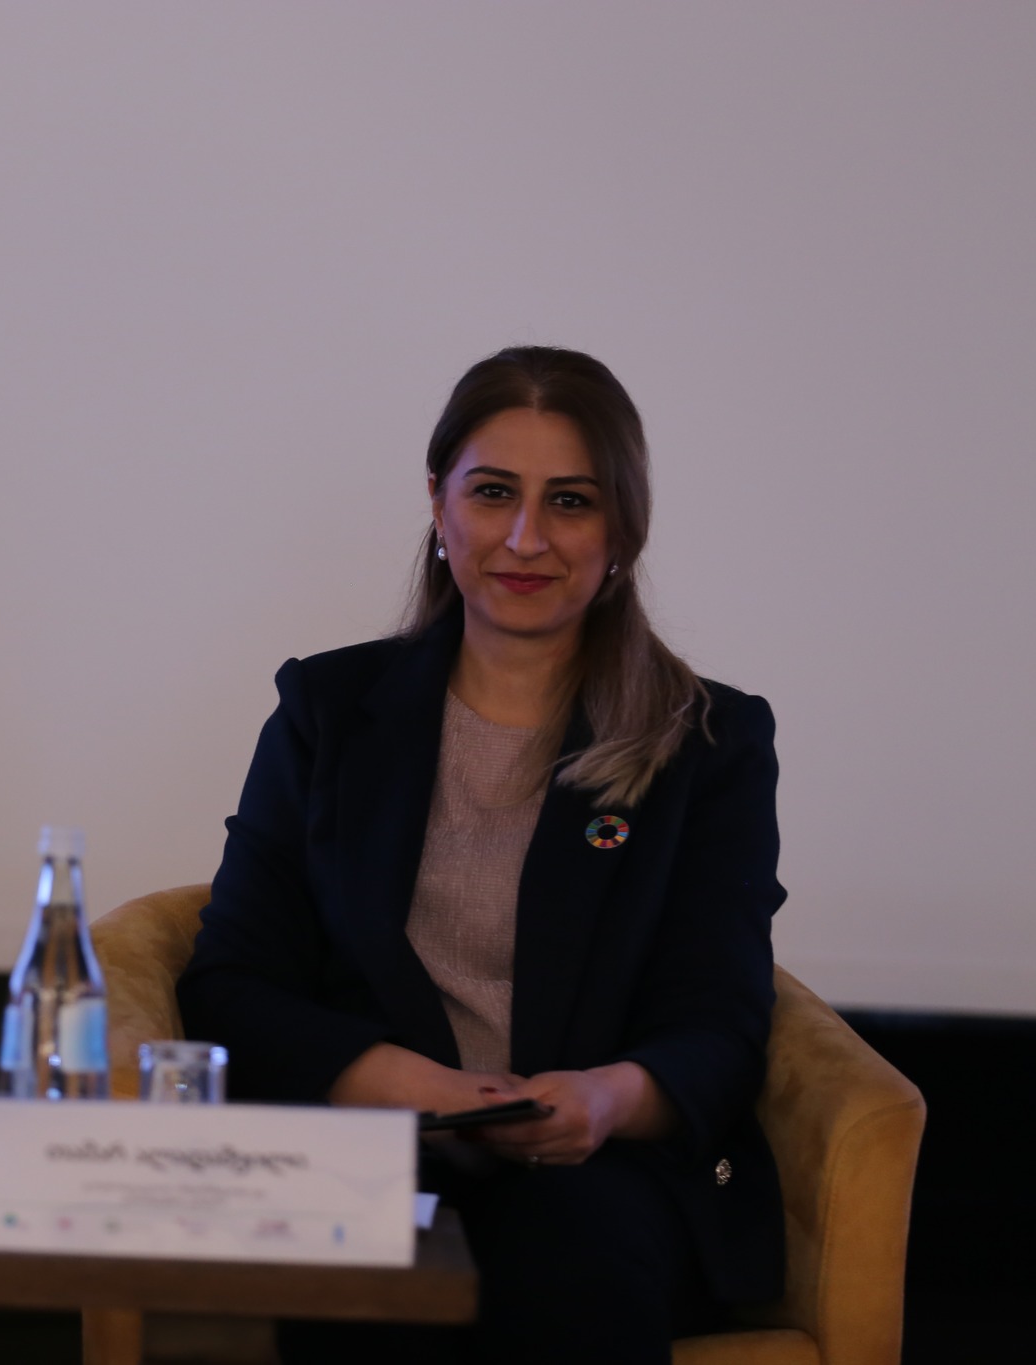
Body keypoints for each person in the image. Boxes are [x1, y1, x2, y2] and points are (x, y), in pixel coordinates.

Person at [176, 346, 784, 1365]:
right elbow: (232, 983)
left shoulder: (707, 742)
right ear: (437, 502)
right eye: (492, 492)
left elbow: (719, 1024)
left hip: (603, 1174)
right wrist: (417, 1089)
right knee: (367, 1259)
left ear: (623, 528)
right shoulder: (327, 710)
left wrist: (602, 1100)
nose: (525, 537)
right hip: (380, 1149)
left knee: (568, 1261)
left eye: (571, 501)